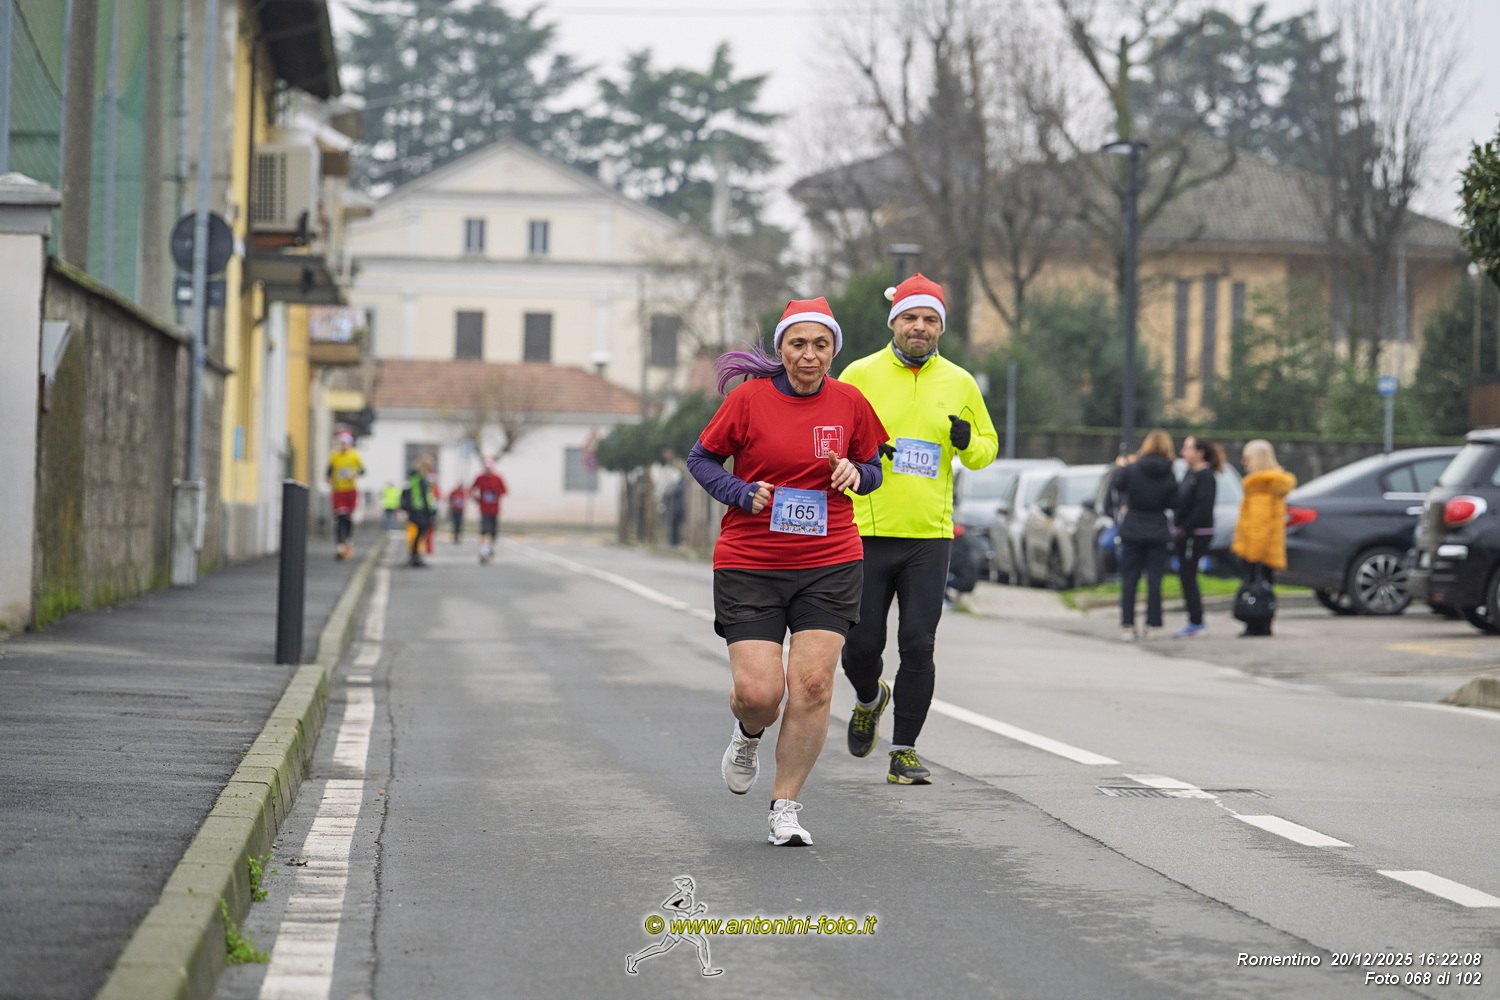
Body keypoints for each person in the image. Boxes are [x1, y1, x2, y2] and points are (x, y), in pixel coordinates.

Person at [686, 297, 887, 846]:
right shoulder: (748, 400)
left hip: (830, 561)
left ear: (833, 350)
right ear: (782, 349)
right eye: (799, 344)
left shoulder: (850, 402)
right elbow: (701, 459)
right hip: (751, 562)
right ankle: (748, 733)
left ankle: (785, 808)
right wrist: (740, 492)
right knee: (759, 693)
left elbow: (874, 467)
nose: (809, 355)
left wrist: (857, 474)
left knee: (814, 685)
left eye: (821, 344)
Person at [837, 273, 998, 785]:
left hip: (929, 535)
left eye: (930, 319)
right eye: (910, 317)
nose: (920, 327)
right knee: (861, 646)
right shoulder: (859, 374)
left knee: (918, 643)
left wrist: (967, 440)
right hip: (866, 528)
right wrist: (863, 451)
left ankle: (904, 752)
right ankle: (869, 698)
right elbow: (832, 436)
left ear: (941, 328)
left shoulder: (960, 382)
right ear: (894, 322)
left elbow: (986, 451)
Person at [1114, 429, 1177, 641]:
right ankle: (1152, 623)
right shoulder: (1169, 472)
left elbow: (1118, 485)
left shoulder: (1133, 468)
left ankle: (1127, 624)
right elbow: (1173, 501)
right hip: (1157, 528)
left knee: (1129, 579)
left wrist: (1122, 467)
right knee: (1155, 580)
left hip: (1133, 526)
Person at [1231, 439, 1296, 636]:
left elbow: (1259, 525)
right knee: (1265, 586)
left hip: (1257, 549)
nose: (1244, 462)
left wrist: (1253, 554)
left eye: (1247, 458)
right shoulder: (1272, 486)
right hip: (1269, 549)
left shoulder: (1260, 487)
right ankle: (1264, 623)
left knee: (1254, 586)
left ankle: (1255, 623)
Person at [1172, 435, 1222, 638]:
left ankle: (1197, 621)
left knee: (1189, 574)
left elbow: (1202, 508)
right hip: (1184, 534)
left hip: (1196, 534)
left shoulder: (1205, 476)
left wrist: (1185, 528)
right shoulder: (1189, 473)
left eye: (1187, 448)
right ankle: (1194, 619)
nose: (1183, 452)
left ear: (1199, 453)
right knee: (1185, 575)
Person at [326, 430, 364, 561]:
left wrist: (353, 474)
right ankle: (339, 546)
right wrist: (328, 478)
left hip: (350, 490)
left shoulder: (354, 455)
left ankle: (348, 541)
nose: (343, 445)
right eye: (341, 443)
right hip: (338, 490)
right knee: (340, 517)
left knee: (348, 518)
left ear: (349, 444)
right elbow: (329, 470)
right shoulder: (334, 456)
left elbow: (363, 470)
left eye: (345, 443)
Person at [471, 459, 508, 564]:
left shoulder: (498, 478)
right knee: (484, 530)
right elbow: (473, 488)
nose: (487, 470)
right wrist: (476, 497)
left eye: (489, 468)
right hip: (484, 509)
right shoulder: (480, 478)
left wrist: (496, 493)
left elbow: (504, 490)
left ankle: (490, 549)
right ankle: (483, 551)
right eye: (486, 468)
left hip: (494, 509)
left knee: (493, 531)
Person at [401, 456, 436, 567]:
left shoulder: (413, 477)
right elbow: (425, 496)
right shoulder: (421, 478)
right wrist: (431, 511)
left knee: (417, 533)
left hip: (413, 509)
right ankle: (415, 556)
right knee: (420, 533)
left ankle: (414, 555)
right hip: (420, 509)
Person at [447, 480, 467, 544]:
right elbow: (450, 499)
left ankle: (458, 536)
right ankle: (455, 537)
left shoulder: (463, 492)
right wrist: (451, 505)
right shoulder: (454, 492)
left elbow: (464, 501)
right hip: (454, 510)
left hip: (460, 511)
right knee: (455, 524)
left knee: (459, 524)